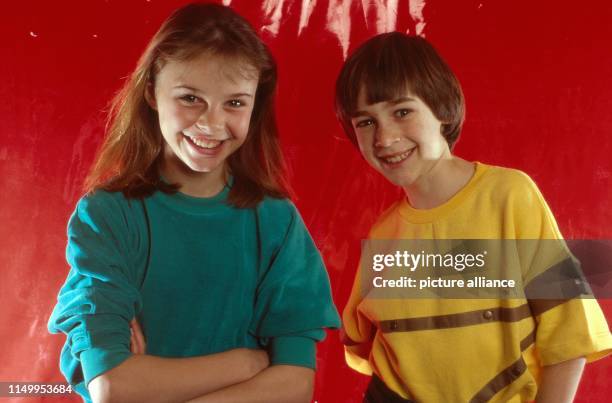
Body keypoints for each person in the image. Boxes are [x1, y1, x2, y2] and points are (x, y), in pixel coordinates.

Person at [48, 3, 340, 402]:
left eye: (235, 103)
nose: (212, 123)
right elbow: (112, 387)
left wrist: (154, 384)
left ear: (256, 105)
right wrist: (248, 364)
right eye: (190, 98)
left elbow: (294, 385)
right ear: (151, 91)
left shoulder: (277, 222)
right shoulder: (107, 216)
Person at [335, 32, 612, 403]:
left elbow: (569, 334)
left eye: (402, 111)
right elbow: (363, 344)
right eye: (365, 122)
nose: (384, 137)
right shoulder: (384, 233)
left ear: (443, 109)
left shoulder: (510, 196)